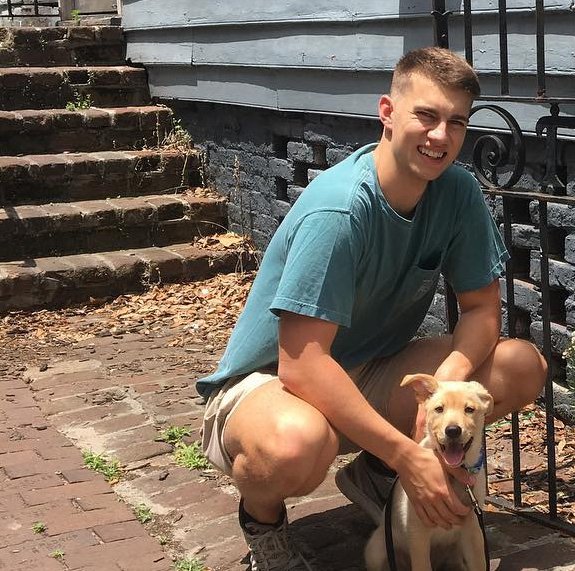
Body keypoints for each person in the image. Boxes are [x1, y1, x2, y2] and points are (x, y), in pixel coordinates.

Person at [195, 47, 547, 571]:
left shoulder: (457, 192)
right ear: (387, 112)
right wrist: (407, 455)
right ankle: (263, 525)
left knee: (520, 366)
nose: (441, 137)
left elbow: (481, 311)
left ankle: (374, 477)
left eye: (456, 122)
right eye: (425, 116)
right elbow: (303, 363)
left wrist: (444, 383)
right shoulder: (339, 209)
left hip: (375, 365)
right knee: (295, 445)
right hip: (272, 385)